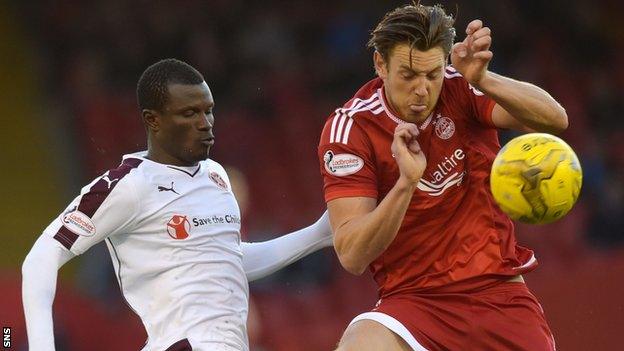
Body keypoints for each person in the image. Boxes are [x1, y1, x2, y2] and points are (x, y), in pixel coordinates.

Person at [22, 58, 333, 351]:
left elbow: (227, 260)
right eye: (189, 113)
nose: (205, 123)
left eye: (208, 111)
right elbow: (41, 257)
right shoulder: (127, 185)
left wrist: (319, 233)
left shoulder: (215, 175)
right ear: (153, 120)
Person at [318, 3, 567, 351]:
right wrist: (406, 183)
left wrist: (482, 78)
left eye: (432, 74)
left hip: (497, 291)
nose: (422, 89)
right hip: (413, 302)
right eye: (408, 75)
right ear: (380, 64)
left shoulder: (461, 87)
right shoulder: (351, 128)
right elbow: (352, 255)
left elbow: (555, 120)